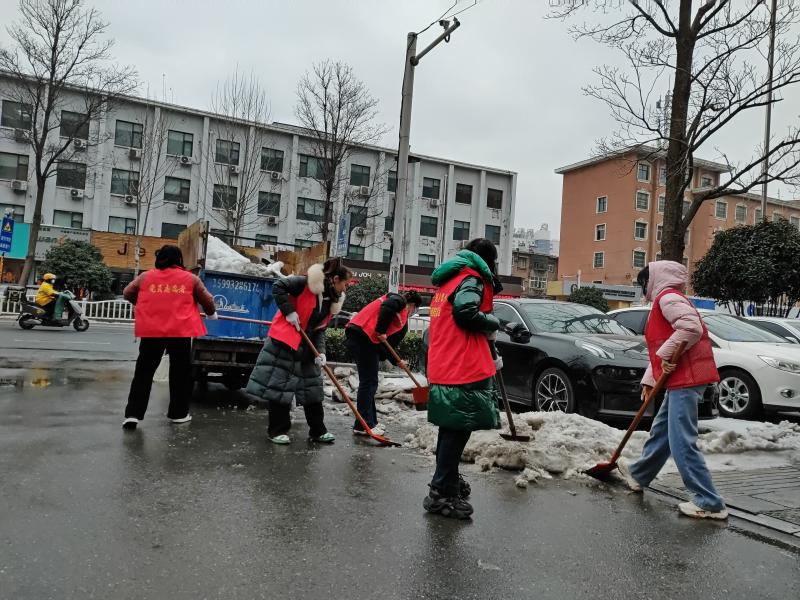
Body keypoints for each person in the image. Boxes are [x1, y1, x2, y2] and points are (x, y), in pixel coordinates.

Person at [617, 260, 727, 520]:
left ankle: (709, 501)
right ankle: (639, 473)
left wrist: (664, 355)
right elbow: (665, 345)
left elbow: (691, 328)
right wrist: (650, 379)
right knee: (663, 433)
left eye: (643, 282)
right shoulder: (668, 299)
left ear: (652, 280)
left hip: (687, 378)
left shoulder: (668, 298)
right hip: (681, 377)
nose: (643, 287)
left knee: (681, 440)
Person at [424, 238, 503, 519]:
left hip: (445, 361)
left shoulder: (449, 281)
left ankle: (448, 480)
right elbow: (466, 312)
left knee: (450, 428)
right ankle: (441, 493)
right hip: (462, 364)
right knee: (457, 432)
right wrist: (493, 323)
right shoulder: (472, 279)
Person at [246, 257, 351, 445]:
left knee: (313, 388)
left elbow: (320, 329)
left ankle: (318, 431)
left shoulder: (331, 300)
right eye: (345, 284)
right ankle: (277, 431)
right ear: (335, 279)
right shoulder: (305, 283)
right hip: (285, 342)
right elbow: (278, 286)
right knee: (281, 387)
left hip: (307, 346)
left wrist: (321, 352)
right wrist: (289, 312)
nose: (345, 289)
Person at [121, 245, 217, 430]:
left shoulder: (145, 277)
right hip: (180, 332)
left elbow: (127, 293)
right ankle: (178, 414)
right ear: (179, 260)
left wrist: (144, 304)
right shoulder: (190, 279)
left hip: (152, 331)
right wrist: (211, 314)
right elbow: (207, 300)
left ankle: (132, 414)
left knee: (144, 372)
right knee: (180, 373)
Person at [345, 289, 423, 436]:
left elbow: (387, 345)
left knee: (371, 382)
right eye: (415, 309)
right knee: (369, 382)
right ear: (412, 305)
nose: (413, 312)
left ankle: (370, 422)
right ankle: (363, 425)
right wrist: (380, 330)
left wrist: (397, 361)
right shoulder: (398, 300)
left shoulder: (401, 321)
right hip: (362, 337)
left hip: (366, 340)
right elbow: (387, 307)